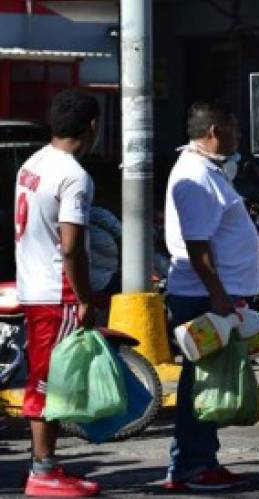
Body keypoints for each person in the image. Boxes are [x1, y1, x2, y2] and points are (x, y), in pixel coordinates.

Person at [163, 102, 259, 491]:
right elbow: (197, 245)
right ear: (217, 130)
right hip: (203, 297)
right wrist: (219, 296)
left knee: (208, 383)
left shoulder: (208, 171)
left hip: (214, 294)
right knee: (201, 385)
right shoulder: (195, 175)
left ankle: (202, 459)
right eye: (235, 126)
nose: (239, 134)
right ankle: (189, 466)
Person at [14, 90, 101, 497]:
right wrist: (85, 298)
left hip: (34, 287)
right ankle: (42, 472)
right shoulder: (74, 175)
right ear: (92, 128)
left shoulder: (32, 164)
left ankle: (46, 466)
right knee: (46, 383)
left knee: (46, 379)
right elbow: (71, 246)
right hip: (57, 292)